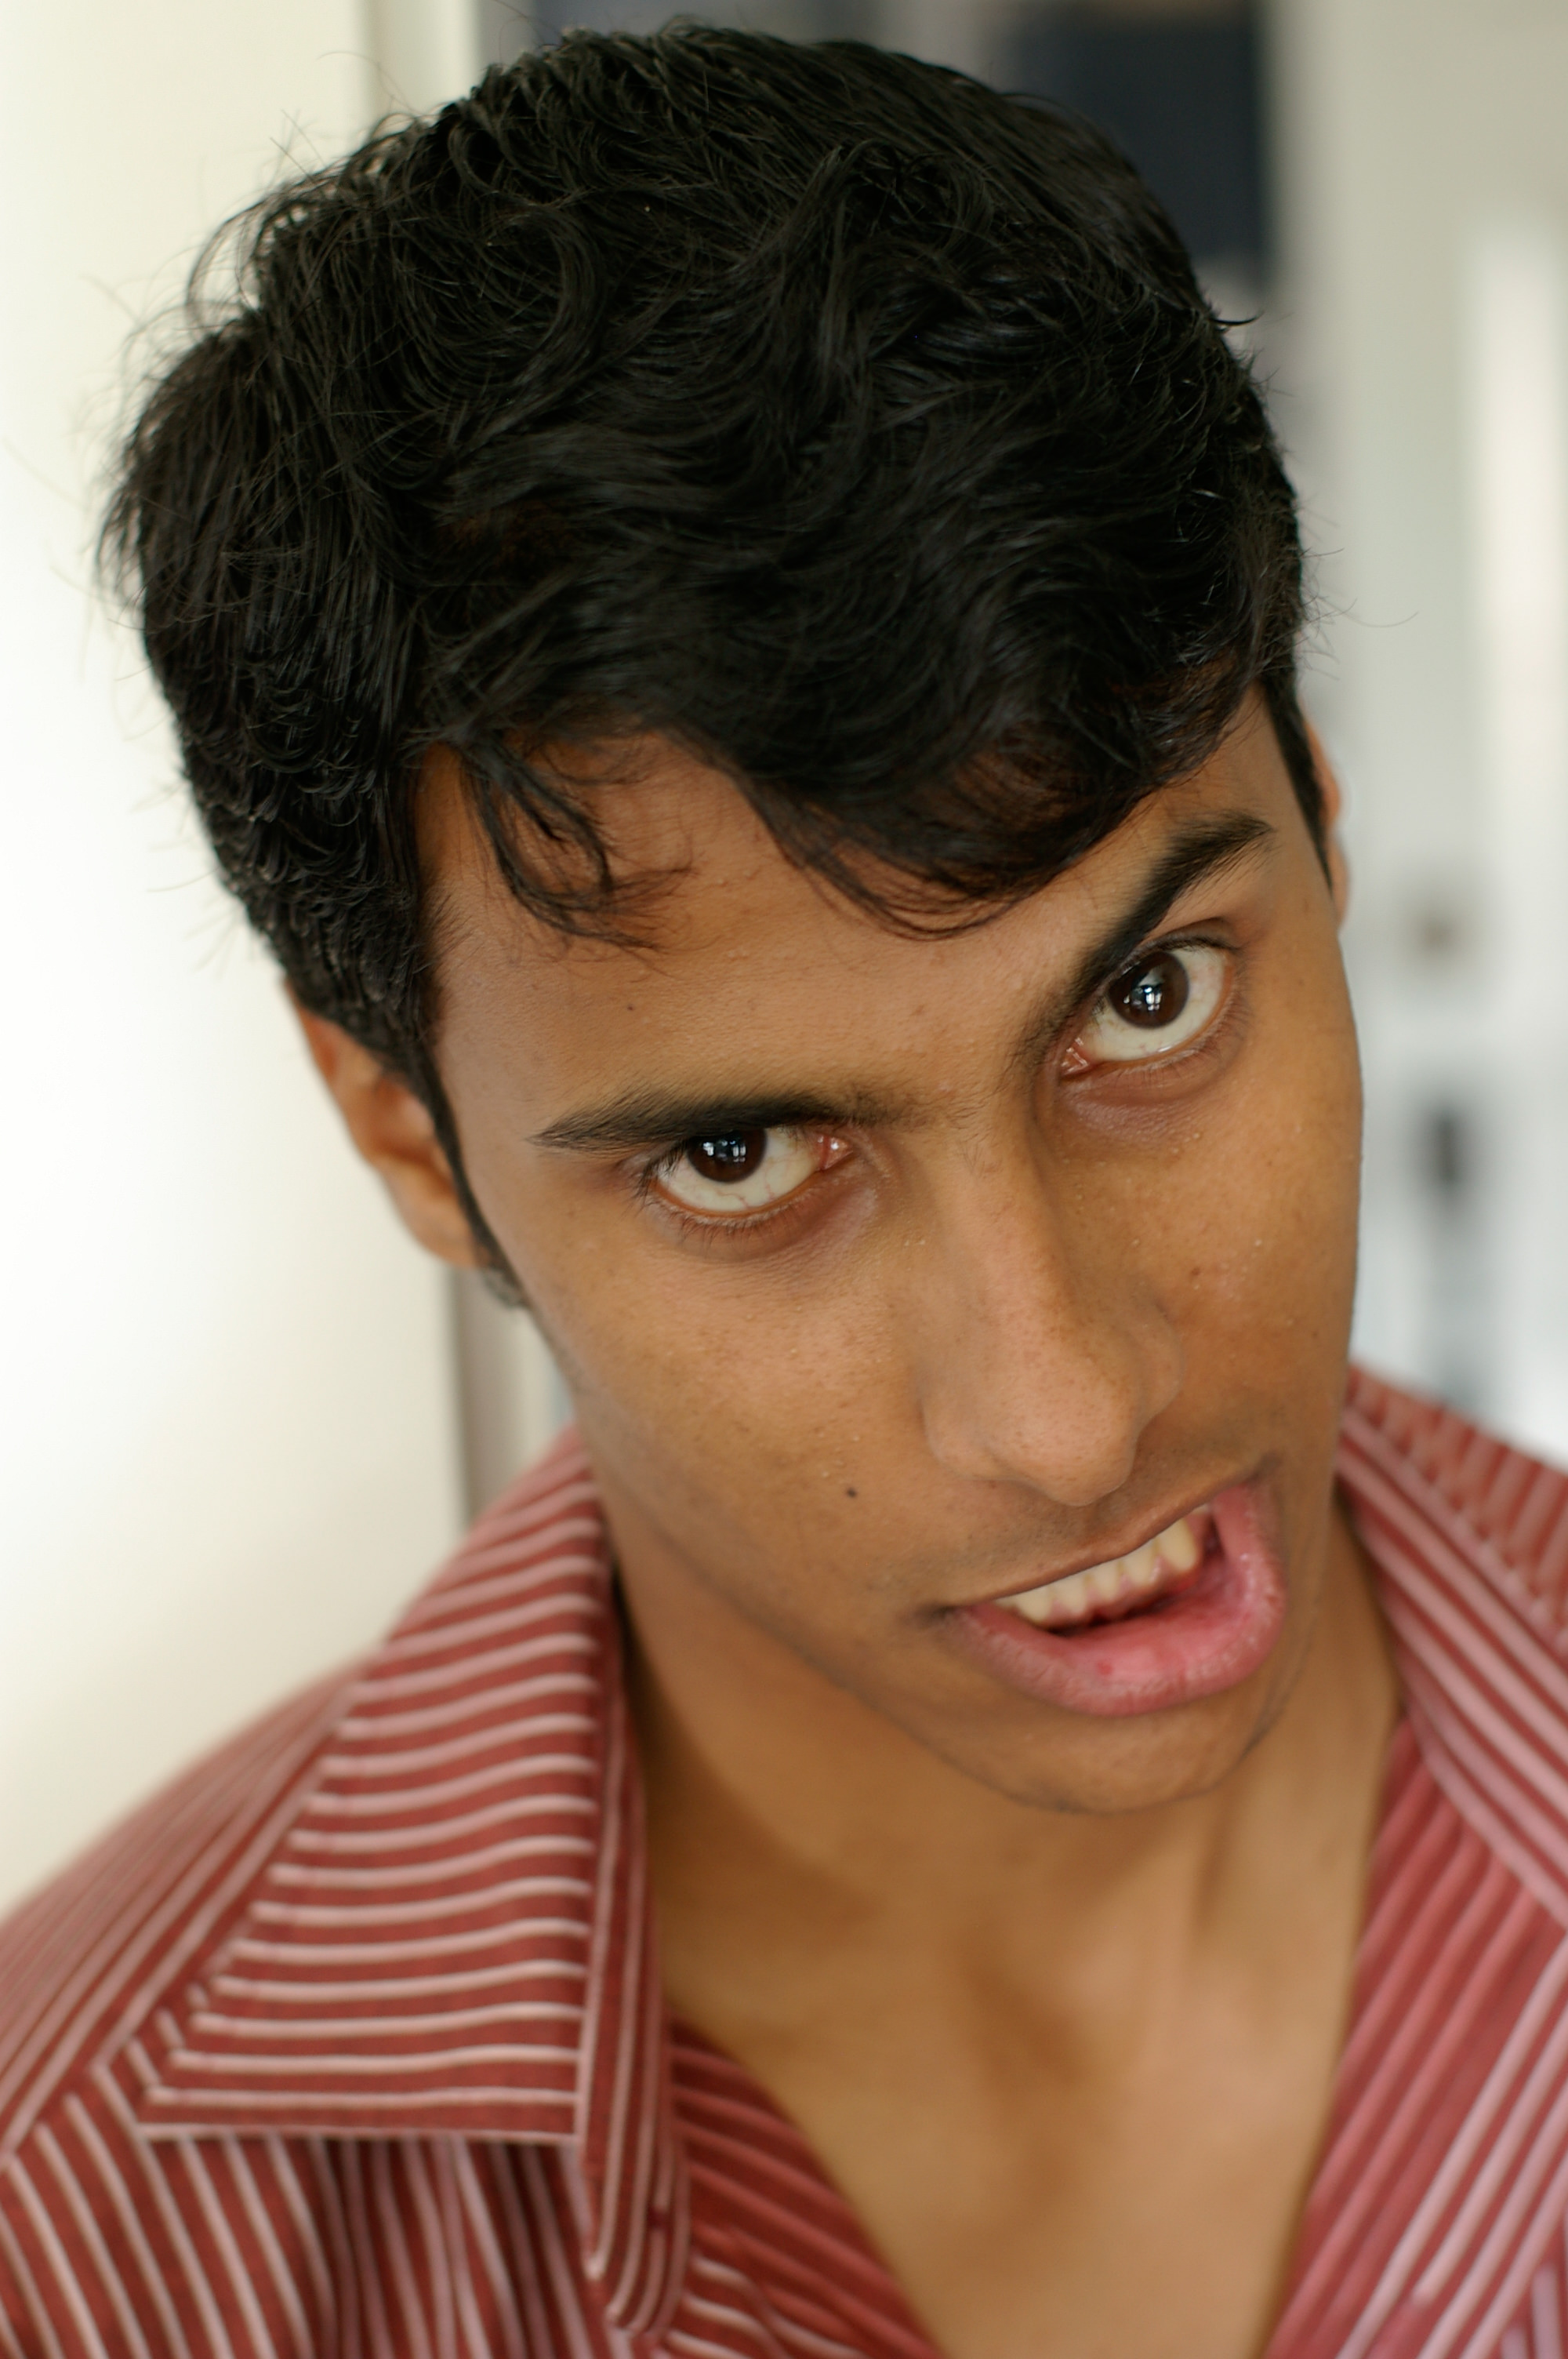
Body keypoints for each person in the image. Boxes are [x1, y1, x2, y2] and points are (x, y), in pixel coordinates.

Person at [2, 27, 1565, 2358]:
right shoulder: (75, 2248)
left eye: (1149, 999)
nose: (1069, 1412)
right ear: (409, 1133)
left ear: (1325, 843)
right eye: (739, 1157)